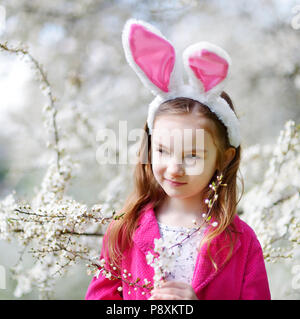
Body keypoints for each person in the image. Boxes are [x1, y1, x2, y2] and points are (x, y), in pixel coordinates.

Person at [85, 19, 271, 300]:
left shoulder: (242, 243)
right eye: (162, 151)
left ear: (223, 158)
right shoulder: (124, 231)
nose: (174, 168)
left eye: (192, 155)